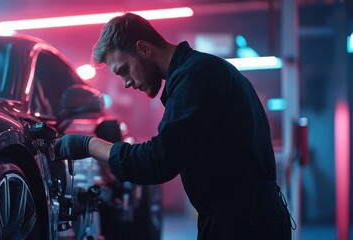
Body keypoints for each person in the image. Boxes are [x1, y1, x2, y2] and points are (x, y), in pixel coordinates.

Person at [55, 12, 293, 240]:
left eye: (124, 70)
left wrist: (87, 144)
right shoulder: (200, 71)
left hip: (243, 224)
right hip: (245, 218)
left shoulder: (197, 75)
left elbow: (158, 161)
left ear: (144, 49)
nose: (126, 83)